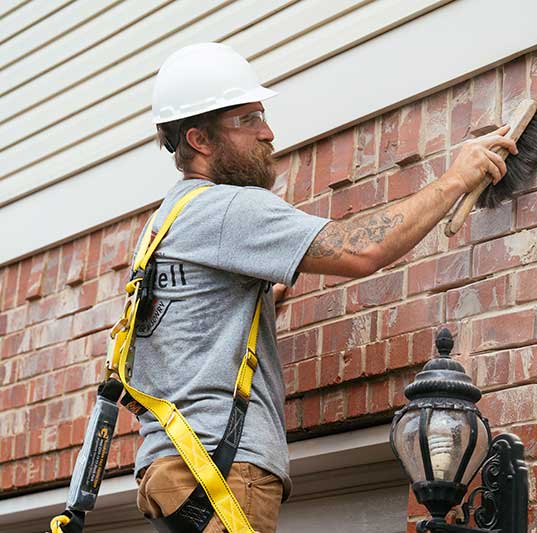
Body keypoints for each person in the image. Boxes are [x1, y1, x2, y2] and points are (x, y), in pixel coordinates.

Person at [132, 42, 517, 533]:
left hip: (174, 475)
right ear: (200, 139)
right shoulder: (229, 208)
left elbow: (191, 327)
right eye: (248, 120)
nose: (268, 133)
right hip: (222, 472)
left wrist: (264, 295)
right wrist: (454, 180)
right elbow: (359, 250)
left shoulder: (164, 225)